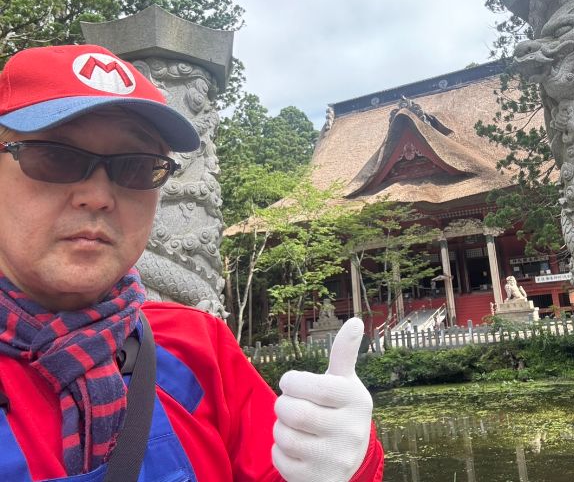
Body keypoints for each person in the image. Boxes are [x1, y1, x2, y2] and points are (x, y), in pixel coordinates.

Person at [0, 44, 384, 481]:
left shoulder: (197, 347)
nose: (99, 196)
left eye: (136, 166)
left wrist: (347, 464)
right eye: (55, 156)